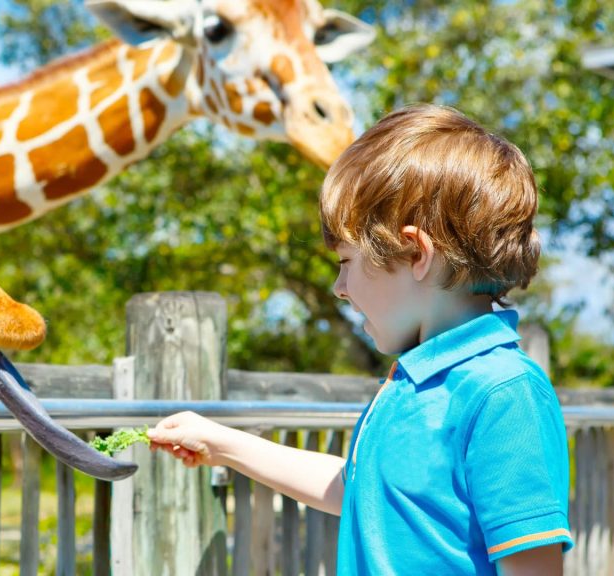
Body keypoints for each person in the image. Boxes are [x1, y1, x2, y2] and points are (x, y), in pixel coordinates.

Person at [147, 104, 573, 575]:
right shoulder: (412, 382)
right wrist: (221, 442)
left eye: (346, 262)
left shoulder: (503, 394)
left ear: (417, 254)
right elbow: (361, 490)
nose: (340, 288)